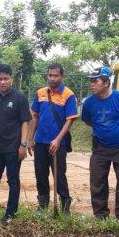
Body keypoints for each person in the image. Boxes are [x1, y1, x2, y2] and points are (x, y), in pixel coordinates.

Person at [81, 66, 119, 224]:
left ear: (106, 82)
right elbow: (88, 120)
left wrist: (116, 131)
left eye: (95, 81)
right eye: (90, 81)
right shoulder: (89, 103)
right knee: (98, 182)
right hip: (99, 147)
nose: (92, 84)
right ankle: (100, 216)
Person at [0, 64, 31, 226]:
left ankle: (11, 212)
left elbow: (25, 122)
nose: (3, 82)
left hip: (13, 148)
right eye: (0, 79)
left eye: (6, 78)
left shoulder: (20, 98)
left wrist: (23, 145)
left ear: (12, 79)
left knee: (13, 180)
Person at [28, 62, 78, 215]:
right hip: (40, 142)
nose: (52, 78)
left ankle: (64, 205)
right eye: (50, 75)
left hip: (58, 143)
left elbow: (69, 120)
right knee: (40, 174)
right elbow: (35, 116)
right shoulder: (40, 93)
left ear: (62, 76)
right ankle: (43, 204)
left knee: (59, 175)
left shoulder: (68, 95)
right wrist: (31, 138)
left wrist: (57, 140)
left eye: (56, 76)